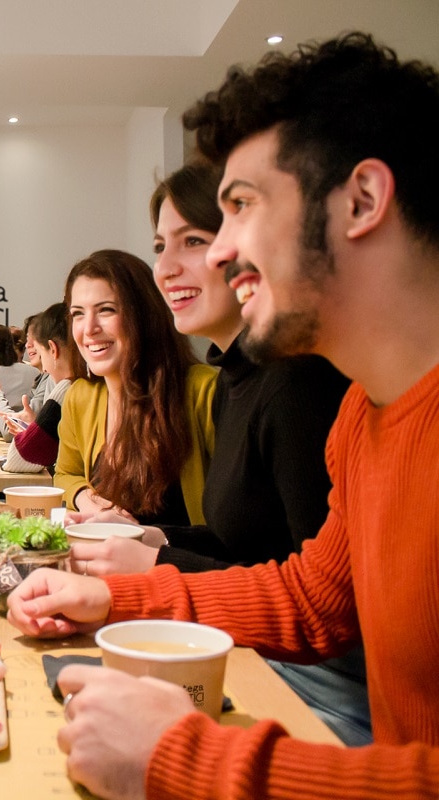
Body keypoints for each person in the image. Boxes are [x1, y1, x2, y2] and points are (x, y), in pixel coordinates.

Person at [8, 33, 439, 799]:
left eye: (240, 207)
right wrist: (116, 595)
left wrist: (188, 759)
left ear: (363, 201)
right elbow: (312, 597)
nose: (223, 250)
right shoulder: (364, 418)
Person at [72, 162, 368, 745]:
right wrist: (155, 542)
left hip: (319, 683)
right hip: (262, 645)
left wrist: (154, 569)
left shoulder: (293, 381)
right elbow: (248, 544)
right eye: (160, 246)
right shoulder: (236, 377)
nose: (166, 267)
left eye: (195, 241)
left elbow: (322, 604)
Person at [54, 250, 216, 525]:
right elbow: (65, 473)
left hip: (183, 565)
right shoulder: (81, 396)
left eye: (106, 310)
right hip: (105, 565)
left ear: (144, 315)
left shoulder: (203, 390)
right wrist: (84, 497)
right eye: (78, 314)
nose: (89, 328)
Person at [0, 303, 86, 471]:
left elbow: (20, 461)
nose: (45, 369)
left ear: (52, 349)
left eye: (40, 350)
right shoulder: (88, 385)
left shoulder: (66, 389)